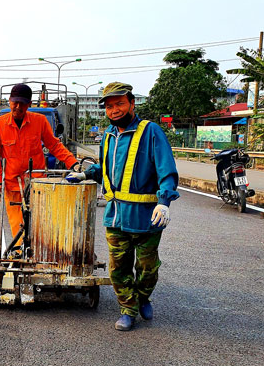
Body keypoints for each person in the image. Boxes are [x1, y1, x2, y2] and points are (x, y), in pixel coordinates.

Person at [66, 82, 179, 331]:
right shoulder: (108, 135)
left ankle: (143, 297)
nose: (114, 109)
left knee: (148, 268)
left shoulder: (150, 132)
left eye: (119, 104)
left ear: (131, 103)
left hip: (147, 218)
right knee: (119, 268)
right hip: (115, 216)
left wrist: (164, 203)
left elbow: (166, 170)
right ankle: (128, 309)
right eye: (109, 106)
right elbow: (106, 169)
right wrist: (86, 174)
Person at [0, 83, 78, 237]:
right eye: (14, 102)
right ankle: (18, 256)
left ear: (29, 104)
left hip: (37, 185)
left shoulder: (40, 121)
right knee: (18, 229)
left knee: (39, 228)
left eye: (22, 103)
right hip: (12, 185)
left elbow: (54, 145)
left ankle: (36, 257)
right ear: (9, 101)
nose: (17, 107)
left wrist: (74, 164)